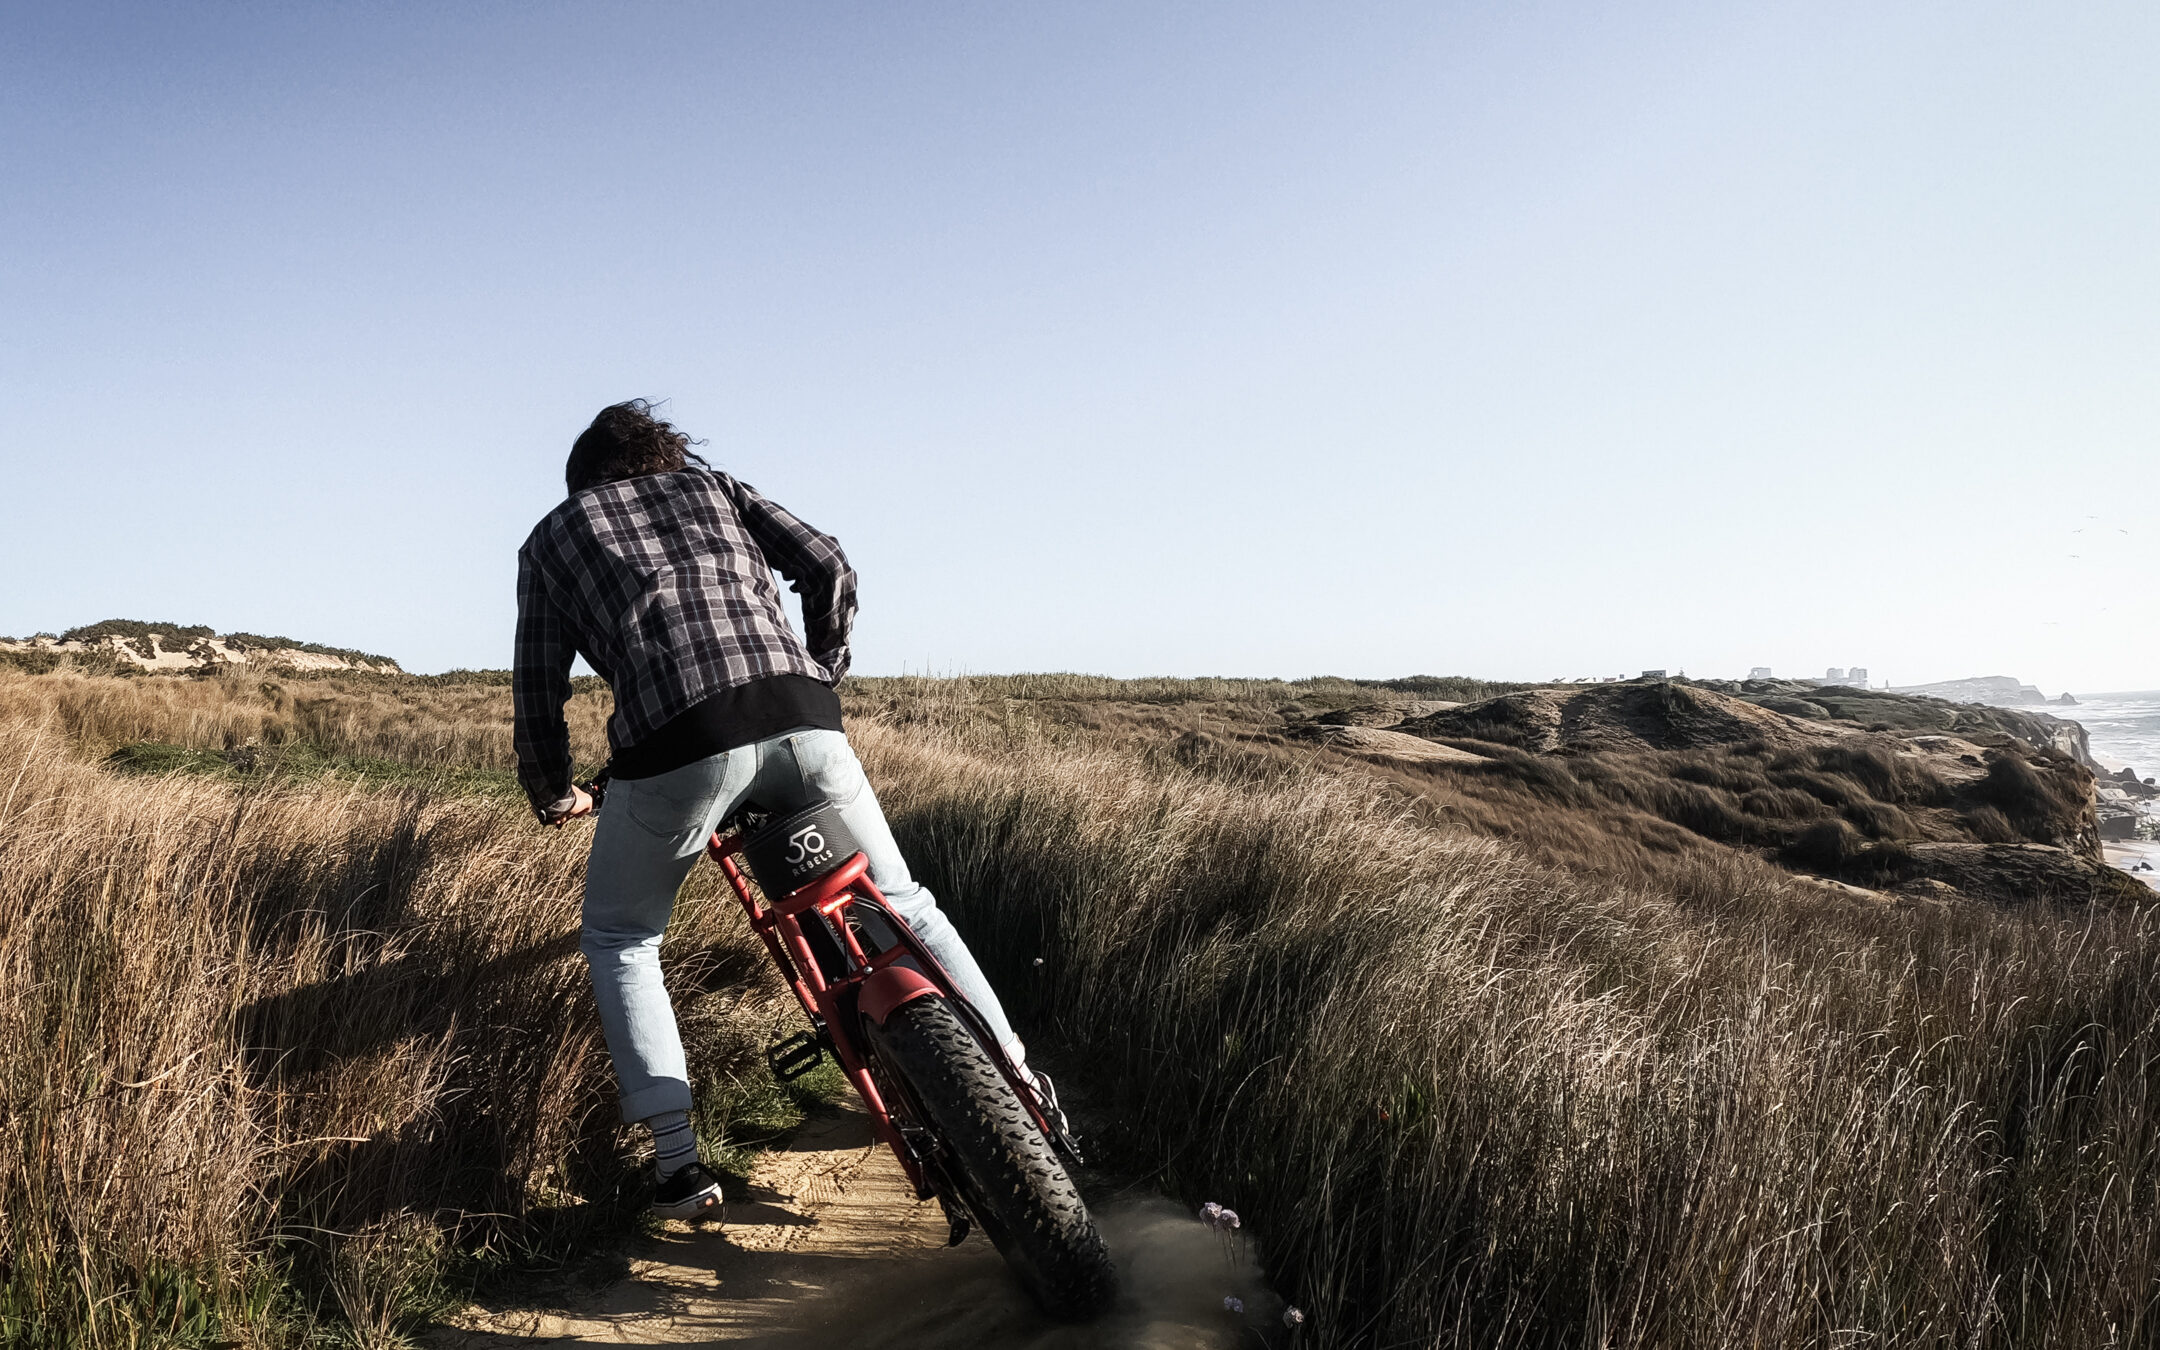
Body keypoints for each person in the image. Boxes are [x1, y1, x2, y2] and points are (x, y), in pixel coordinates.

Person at [512, 400, 1045, 1220]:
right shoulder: (714, 487)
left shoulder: (552, 538)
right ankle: (1020, 1081)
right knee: (904, 904)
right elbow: (827, 562)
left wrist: (556, 790)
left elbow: (538, 687)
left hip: (674, 744)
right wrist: (823, 665)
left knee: (623, 939)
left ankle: (680, 1169)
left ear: (583, 478)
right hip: (801, 715)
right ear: (664, 454)